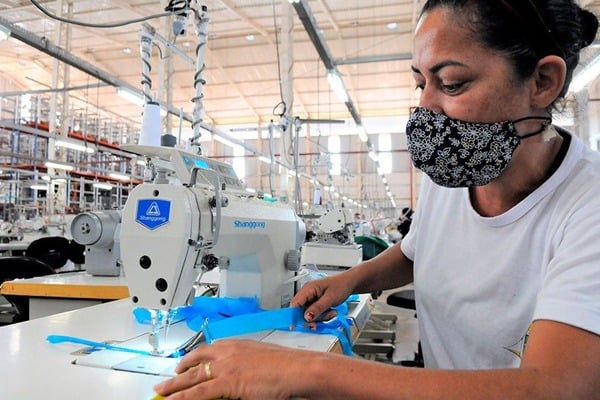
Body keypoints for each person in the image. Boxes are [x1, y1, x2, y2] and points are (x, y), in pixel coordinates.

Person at [153, 1, 600, 398]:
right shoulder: (455, 170)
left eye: (452, 84)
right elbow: (415, 251)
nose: (426, 107)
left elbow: (556, 387)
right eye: (420, 82)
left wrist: (303, 369)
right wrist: (351, 280)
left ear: (543, 81)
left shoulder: (588, 204)